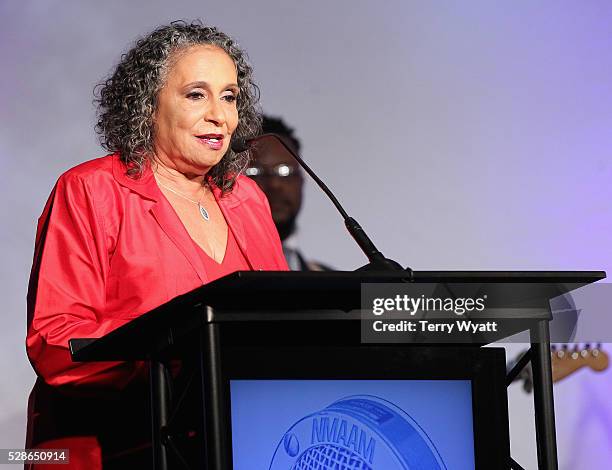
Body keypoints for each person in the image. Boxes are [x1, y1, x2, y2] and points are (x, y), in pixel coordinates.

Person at [25, 21, 287, 469]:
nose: (219, 115)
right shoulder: (92, 190)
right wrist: (175, 357)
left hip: (228, 445)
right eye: (196, 94)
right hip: (116, 448)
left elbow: (279, 325)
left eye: (229, 96)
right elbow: (56, 341)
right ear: (147, 106)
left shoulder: (247, 199)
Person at [247, 116, 331, 271]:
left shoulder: (333, 284)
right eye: (255, 172)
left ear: (301, 179)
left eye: (285, 171)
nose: (275, 184)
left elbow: (384, 295)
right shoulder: (213, 276)